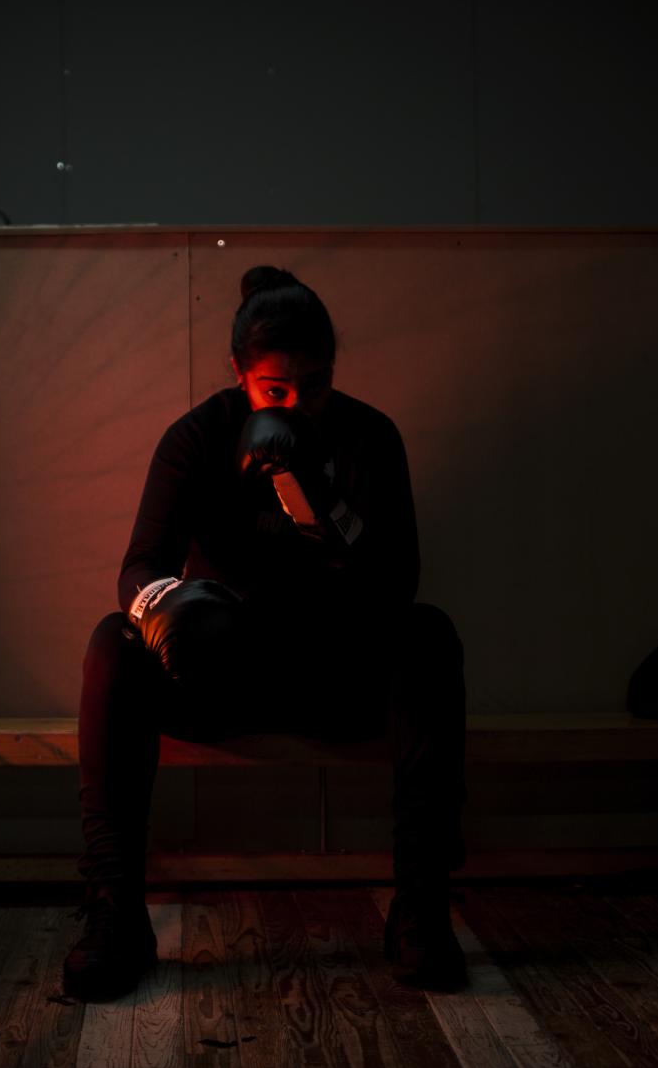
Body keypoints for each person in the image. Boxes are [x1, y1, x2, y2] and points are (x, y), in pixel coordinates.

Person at [64, 265, 469, 999]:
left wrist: (328, 517)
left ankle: (421, 910)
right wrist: (170, 609)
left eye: (314, 386)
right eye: (275, 391)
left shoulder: (368, 436)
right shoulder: (197, 438)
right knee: (110, 645)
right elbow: (139, 567)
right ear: (239, 373)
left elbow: (399, 582)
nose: (296, 406)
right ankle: (114, 914)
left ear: (333, 372)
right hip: (222, 676)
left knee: (428, 635)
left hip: (332, 676)